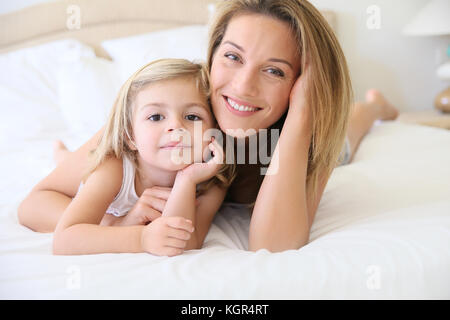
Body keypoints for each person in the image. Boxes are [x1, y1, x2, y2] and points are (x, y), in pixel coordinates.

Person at [18, 0, 398, 253]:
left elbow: (274, 248)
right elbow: (36, 203)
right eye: (232, 57)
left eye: (274, 70)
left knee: (349, 136)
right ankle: (65, 154)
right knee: (76, 163)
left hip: (299, 131)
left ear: (300, 85)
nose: (243, 87)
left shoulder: (305, 128)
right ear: (212, 55)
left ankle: (373, 106)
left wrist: (299, 120)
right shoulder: (170, 114)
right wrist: (113, 227)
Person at [52, 58, 235, 256]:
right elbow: (65, 239)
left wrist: (186, 180)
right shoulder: (115, 167)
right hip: (96, 173)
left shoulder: (212, 182)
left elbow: (186, 242)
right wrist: (141, 238)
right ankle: (62, 156)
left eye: (192, 117)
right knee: (83, 168)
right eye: (155, 117)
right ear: (130, 136)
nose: (176, 126)